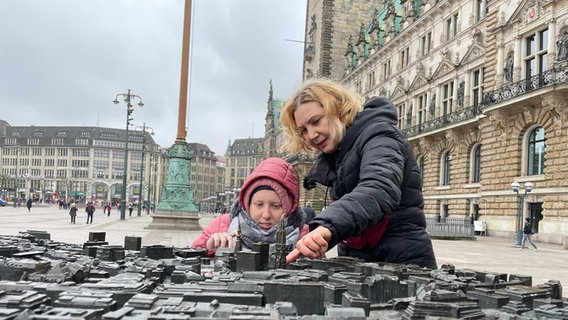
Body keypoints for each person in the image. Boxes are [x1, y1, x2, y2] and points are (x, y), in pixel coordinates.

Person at [280, 79, 437, 269]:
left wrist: (327, 226)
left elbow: (378, 189)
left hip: (401, 261)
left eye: (316, 121)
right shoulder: (338, 153)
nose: (312, 135)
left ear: (338, 108)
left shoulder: (379, 133)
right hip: (360, 262)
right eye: (303, 130)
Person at [192, 157, 309, 257]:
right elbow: (190, 257)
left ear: (289, 207)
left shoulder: (305, 235)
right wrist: (208, 248)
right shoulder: (221, 225)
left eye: (275, 206)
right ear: (248, 204)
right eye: (259, 205)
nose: (266, 215)